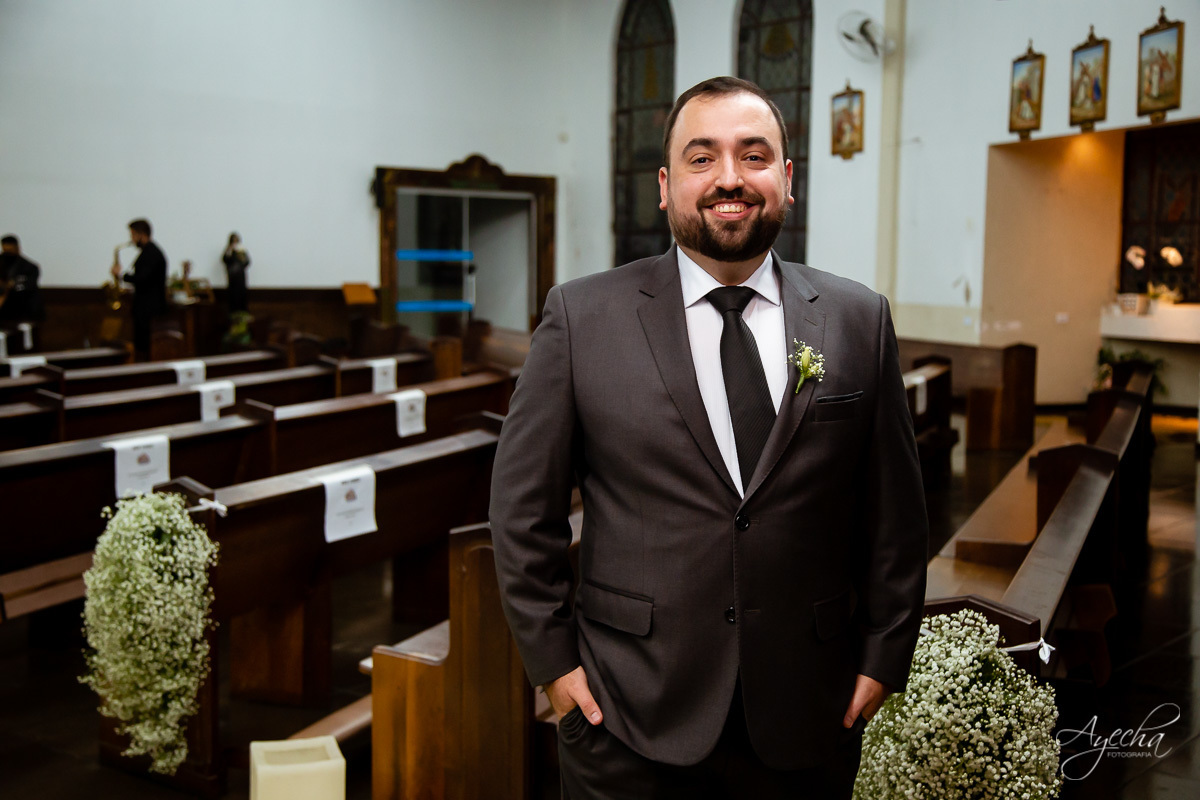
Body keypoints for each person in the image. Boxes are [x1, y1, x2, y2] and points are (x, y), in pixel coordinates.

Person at [490, 77, 928, 799]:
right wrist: (555, 671)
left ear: (787, 181)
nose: (730, 178)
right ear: (666, 186)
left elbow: (896, 514)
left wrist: (883, 658)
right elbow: (521, 509)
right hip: (627, 715)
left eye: (754, 156)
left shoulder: (857, 318)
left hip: (807, 712)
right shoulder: (582, 318)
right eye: (702, 158)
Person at [111, 218, 167, 360]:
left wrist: (122, 276)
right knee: (140, 343)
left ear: (141, 234)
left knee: (145, 345)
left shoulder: (152, 253)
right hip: (144, 306)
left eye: (133, 235)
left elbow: (143, 278)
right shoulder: (148, 252)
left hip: (149, 308)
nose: (131, 239)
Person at [0, 235, 44, 324]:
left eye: (10, 251)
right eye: (5, 251)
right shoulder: (1, 263)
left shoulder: (29, 267)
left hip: (22, 308)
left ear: (17, 248)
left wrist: (10, 285)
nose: (7, 255)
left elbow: (28, 286)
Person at [222, 232, 250, 314]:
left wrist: (241, 256)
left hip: (240, 277)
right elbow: (225, 260)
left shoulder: (242, 250)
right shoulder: (228, 250)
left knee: (242, 296)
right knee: (233, 297)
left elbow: (247, 262)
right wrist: (230, 250)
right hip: (232, 278)